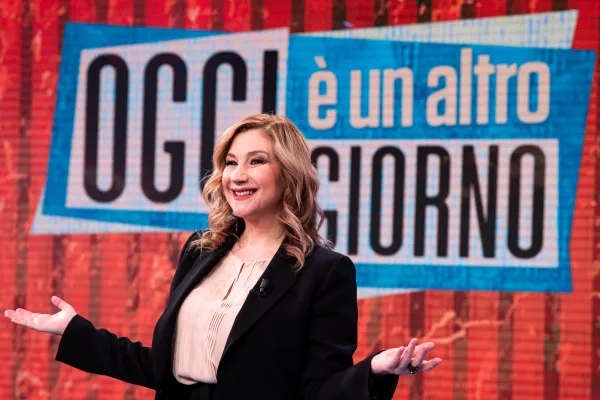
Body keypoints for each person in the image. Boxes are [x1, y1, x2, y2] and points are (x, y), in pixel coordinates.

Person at [5, 114, 441, 399]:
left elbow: (318, 391)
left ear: (289, 174)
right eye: (230, 162)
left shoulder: (325, 272)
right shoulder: (201, 250)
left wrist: (375, 371)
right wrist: (77, 332)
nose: (237, 175)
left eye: (256, 161)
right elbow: (166, 366)